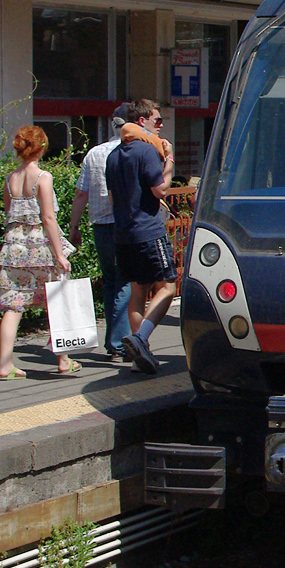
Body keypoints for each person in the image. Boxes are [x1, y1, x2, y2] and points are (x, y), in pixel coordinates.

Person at [0, 126, 77, 379]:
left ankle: (5, 364)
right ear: (41, 147)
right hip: (40, 244)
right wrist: (60, 254)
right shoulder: (43, 176)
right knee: (56, 298)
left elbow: (10, 214)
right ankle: (64, 359)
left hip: (14, 245)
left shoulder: (10, 178)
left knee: (13, 304)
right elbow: (48, 218)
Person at [106, 99, 176, 375]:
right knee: (168, 287)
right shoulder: (147, 152)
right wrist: (169, 160)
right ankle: (141, 338)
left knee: (137, 292)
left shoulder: (114, 156)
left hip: (123, 233)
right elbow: (161, 190)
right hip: (148, 231)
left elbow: (112, 198)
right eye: (156, 120)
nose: (160, 126)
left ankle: (139, 357)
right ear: (142, 121)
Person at [68, 104, 132, 361]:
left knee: (110, 282)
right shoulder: (130, 150)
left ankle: (115, 340)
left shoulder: (94, 153)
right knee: (125, 281)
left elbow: (81, 192)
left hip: (99, 225)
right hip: (124, 224)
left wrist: (73, 227)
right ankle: (119, 342)